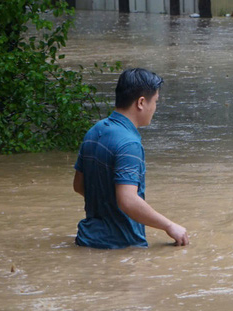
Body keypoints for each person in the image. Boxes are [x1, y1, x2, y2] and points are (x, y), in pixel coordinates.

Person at [72, 68, 190, 248]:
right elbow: (128, 200)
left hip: (86, 240)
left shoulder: (95, 131)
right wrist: (169, 225)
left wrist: (107, 204)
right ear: (141, 102)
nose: (155, 108)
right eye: (155, 101)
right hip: (121, 247)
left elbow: (78, 185)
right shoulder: (129, 144)